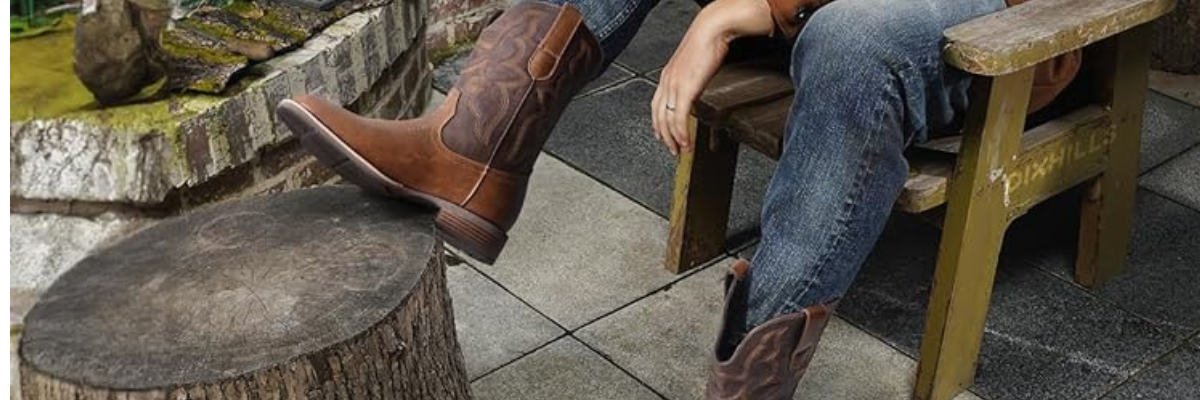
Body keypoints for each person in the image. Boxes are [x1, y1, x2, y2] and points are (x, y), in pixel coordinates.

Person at [276, 0, 1079, 397]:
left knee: (850, 40)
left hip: (982, 21)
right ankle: (469, 151)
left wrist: (740, 15)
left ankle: (750, 387)